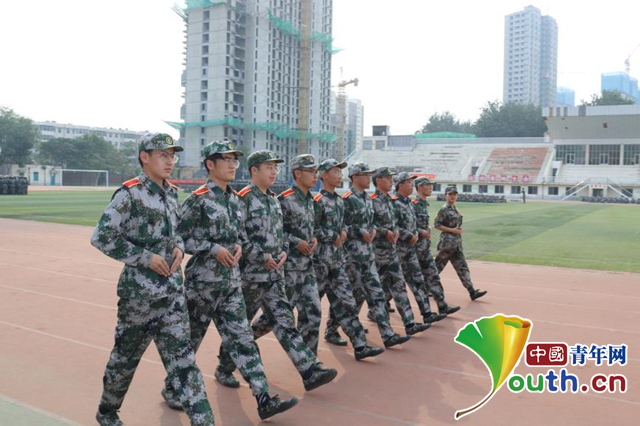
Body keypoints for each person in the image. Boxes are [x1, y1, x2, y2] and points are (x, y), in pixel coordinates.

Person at [160, 141, 298, 420]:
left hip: (232, 285)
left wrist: (238, 247)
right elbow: (178, 239)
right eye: (227, 160)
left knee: (244, 340)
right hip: (202, 286)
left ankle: (263, 398)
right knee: (191, 341)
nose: (233, 165)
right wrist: (213, 248)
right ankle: (173, 388)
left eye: (236, 160)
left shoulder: (236, 199)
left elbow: (239, 236)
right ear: (210, 164)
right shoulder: (199, 199)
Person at [91, 133, 215, 426]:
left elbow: (178, 233)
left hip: (171, 294)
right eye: (162, 155)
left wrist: (179, 247)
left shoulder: (171, 193)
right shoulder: (129, 194)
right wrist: (146, 258)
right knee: (124, 361)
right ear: (144, 157)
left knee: (184, 364)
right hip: (139, 298)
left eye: (172, 155)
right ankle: (107, 411)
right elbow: (102, 237)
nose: (170, 160)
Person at [216, 150, 338, 392]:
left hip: (275, 276)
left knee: (286, 322)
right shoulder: (243, 199)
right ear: (254, 171)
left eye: (275, 167)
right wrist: (262, 257)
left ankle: (309, 370)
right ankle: (225, 366)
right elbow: (237, 237)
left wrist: (283, 250)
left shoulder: (273, 199)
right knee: (241, 328)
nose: (274, 172)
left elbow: (281, 234)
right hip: (250, 277)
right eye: (268, 167)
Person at [313, 158, 385, 360]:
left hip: (336, 263)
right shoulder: (317, 201)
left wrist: (343, 231)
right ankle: (308, 355)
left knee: (347, 303)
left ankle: (360, 346)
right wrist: (334, 236)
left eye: (340, 172)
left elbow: (344, 224)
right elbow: (312, 231)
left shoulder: (338, 200)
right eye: (334, 172)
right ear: (323, 175)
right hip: (318, 265)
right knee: (310, 312)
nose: (339, 175)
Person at [252, 154, 322, 354]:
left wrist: (313, 238)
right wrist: (295, 242)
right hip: (287, 268)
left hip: (306, 267)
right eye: (310, 171)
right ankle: (236, 348)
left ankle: (310, 361)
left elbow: (310, 228)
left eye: (316, 171)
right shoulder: (283, 200)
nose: (315, 175)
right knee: (273, 320)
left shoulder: (311, 200)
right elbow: (277, 232)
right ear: (297, 173)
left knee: (313, 313)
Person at [340, 162, 412, 348]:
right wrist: (359, 231)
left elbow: (372, 222)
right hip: (353, 257)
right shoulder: (347, 199)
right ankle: (332, 328)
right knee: (353, 297)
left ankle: (388, 335)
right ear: (355, 177)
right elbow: (341, 226)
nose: (368, 177)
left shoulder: (367, 199)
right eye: (365, 174)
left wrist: (373, 230)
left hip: (369, 255)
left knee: (377, 294)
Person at [369, 167, 431, 335]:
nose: (390, 180)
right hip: (376, 254)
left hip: (392, 252)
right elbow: (367, 226)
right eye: (387, 178)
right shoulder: (372, 200)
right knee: (362, 292)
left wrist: (400, 232)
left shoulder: (390, 201)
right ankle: (334, 327)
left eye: (391, 178)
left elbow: (396, 224)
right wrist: (386, 232)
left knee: (399, 286)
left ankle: (410, 324)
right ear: (378, 180)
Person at [390, 172, 448, 324]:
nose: (411, 186)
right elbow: (392, 226)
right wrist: (410, 235)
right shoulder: (394, 203)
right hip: (399, 251)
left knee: (418, 281)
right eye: (409, 183)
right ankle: (379, 308)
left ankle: (427, 314)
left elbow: (413, 224)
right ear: (401, 185)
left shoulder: (408, 203)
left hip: (411, 250)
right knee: (395, 284)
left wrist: (417, 231)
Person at [412, 177, 460, 316]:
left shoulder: (423, 204)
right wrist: (421, 231)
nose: (431, 188)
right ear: (420, 187)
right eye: (428, 185)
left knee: (433, 276)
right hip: (414, 250)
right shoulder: (414, 204)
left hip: (424, 248)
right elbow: (407, 225)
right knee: (401, 279)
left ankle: (442, 306)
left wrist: (425, 228)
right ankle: (383, 302)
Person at [434, 186, 488, 301]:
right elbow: (437, 225)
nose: (453, 196)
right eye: (450, 194)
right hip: (447, 245)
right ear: (445, 196)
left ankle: (472, 291)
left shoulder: (454, 208)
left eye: (454, 194)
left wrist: (457, 229)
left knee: (462, 267)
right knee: (436, 268)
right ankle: (427, 289)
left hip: (456, 244)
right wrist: (452, 230)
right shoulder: (444, 209)